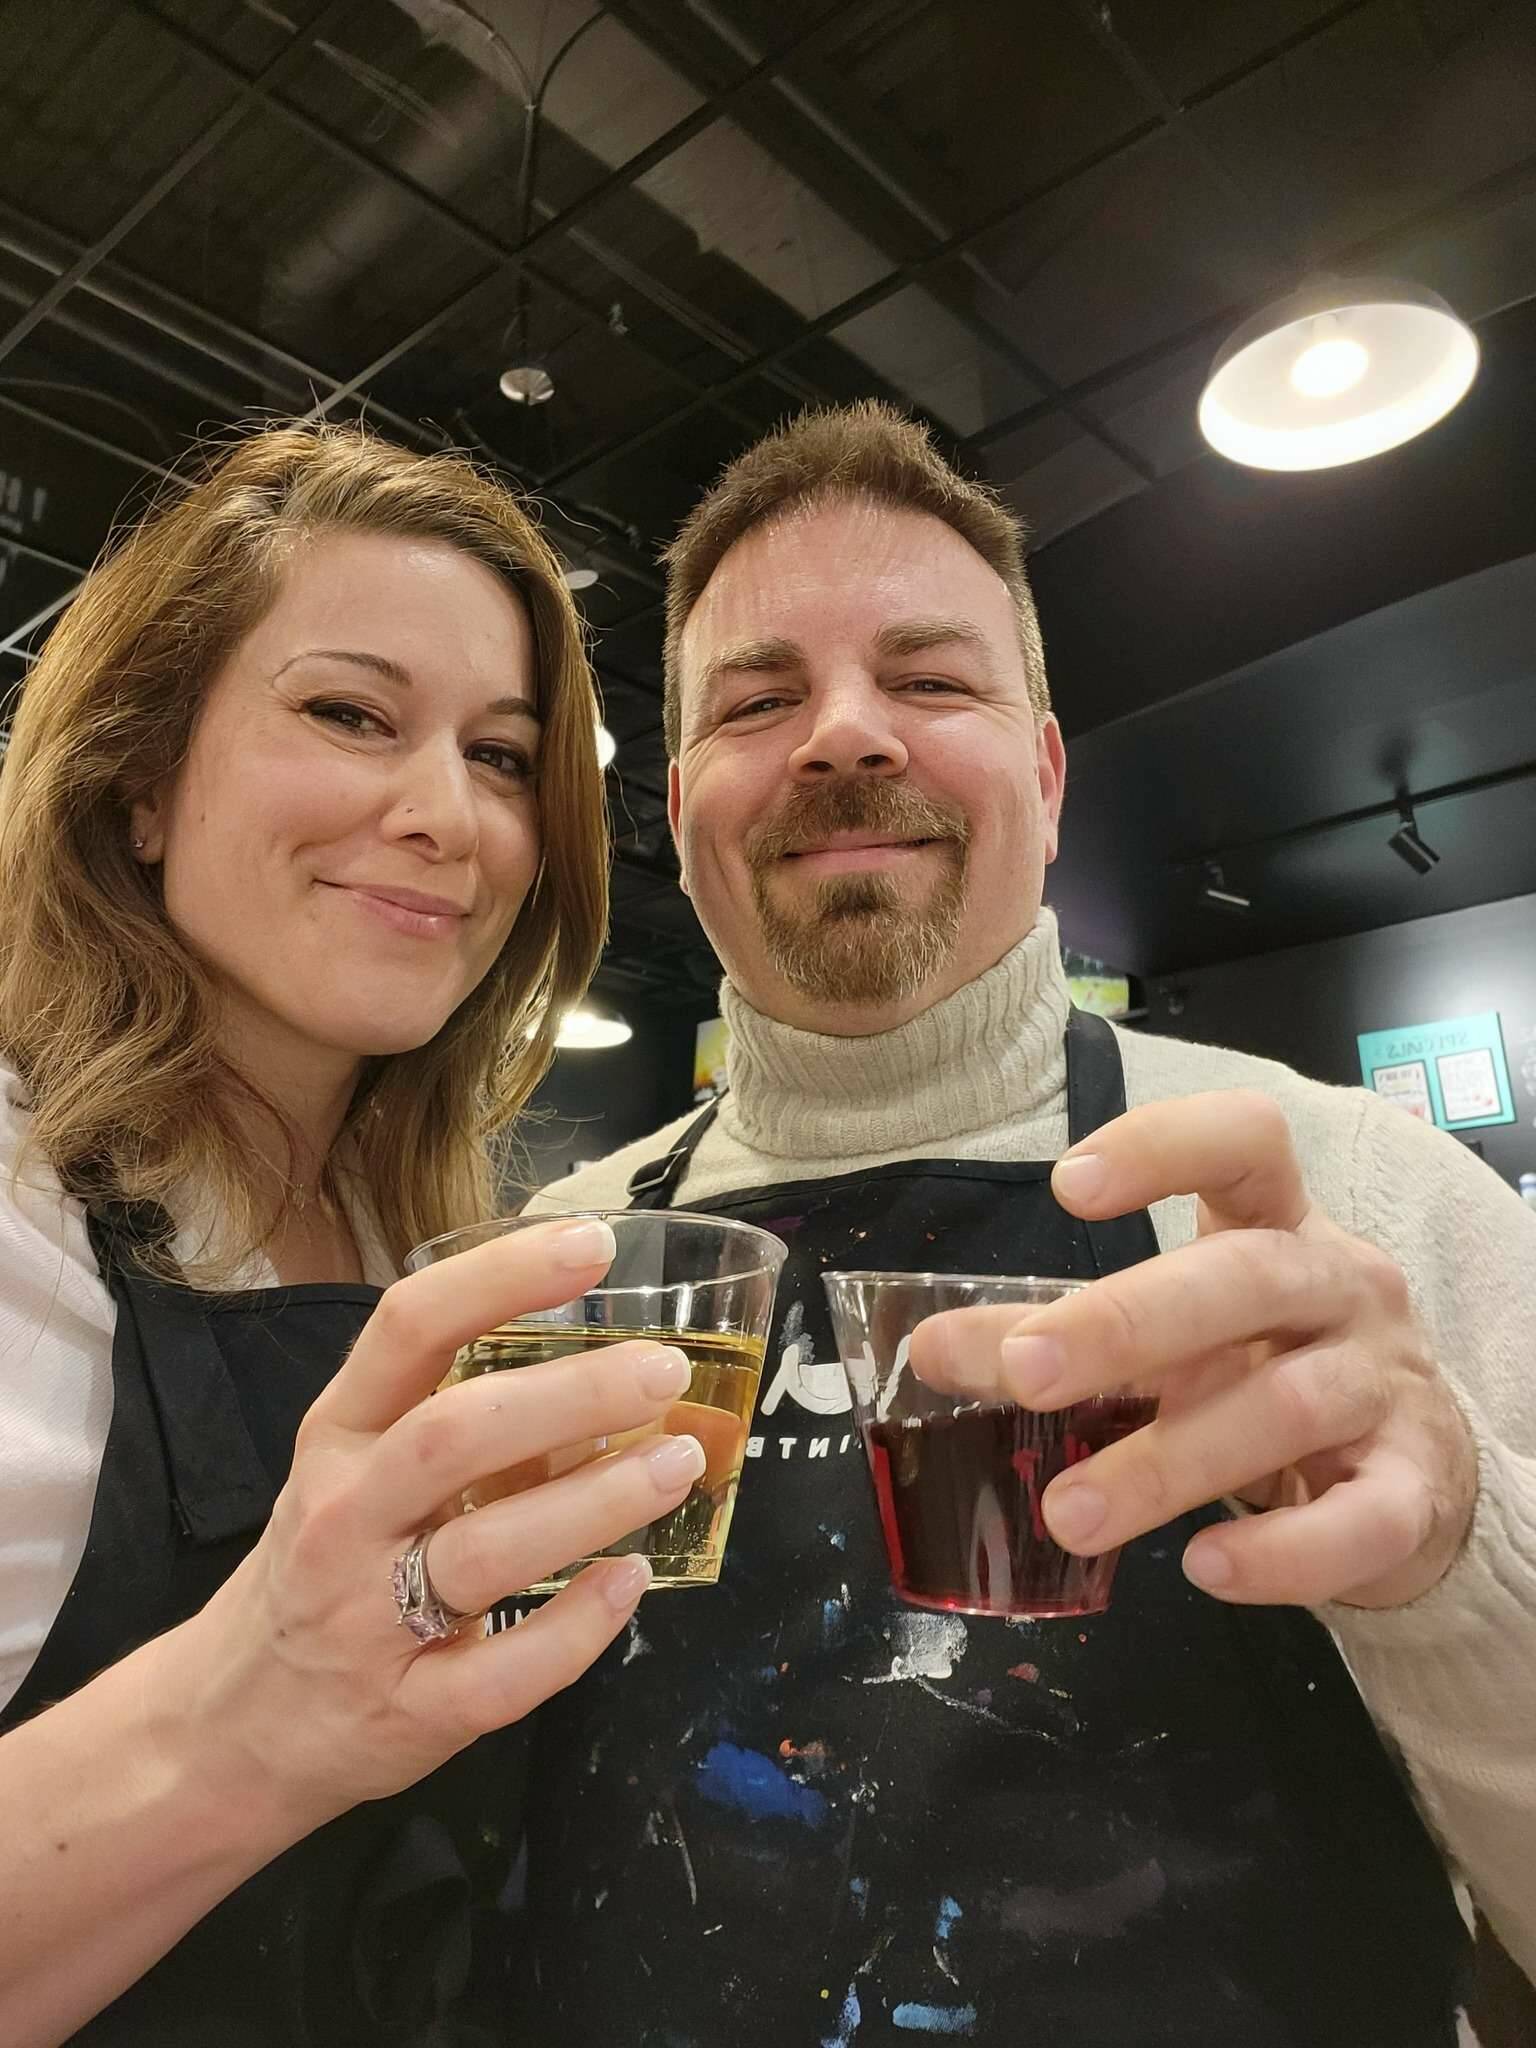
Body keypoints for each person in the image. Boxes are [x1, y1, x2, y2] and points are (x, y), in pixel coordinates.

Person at [526, 402, 1536, 2044]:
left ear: (1049, 779)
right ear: (684, 810)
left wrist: (1455, 1561)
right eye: (760, 700)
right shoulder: (566, 1254)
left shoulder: (1347, 1191)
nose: (846, 735)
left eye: (930, 680)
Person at [0, 425, 711, 2046]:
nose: (447, 816)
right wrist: (243, 1721)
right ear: (142, 780)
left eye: (504, 756)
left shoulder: (440, 1247)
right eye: (349, 713)